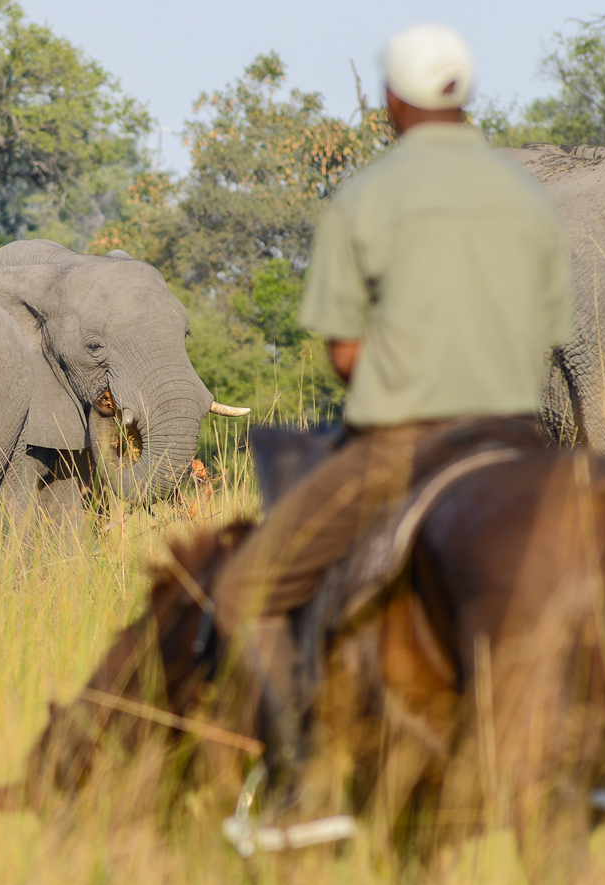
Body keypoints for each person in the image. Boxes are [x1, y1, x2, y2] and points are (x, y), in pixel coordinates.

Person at [209, 24, 573, 776]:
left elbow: (345, 353)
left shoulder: (368, 195)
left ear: (392, 101)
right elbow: (548, 334)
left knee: (244, 587)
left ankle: (296, 775)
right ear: (466, 96)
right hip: (520, 440)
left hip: (402, 443)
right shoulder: (529, 199)